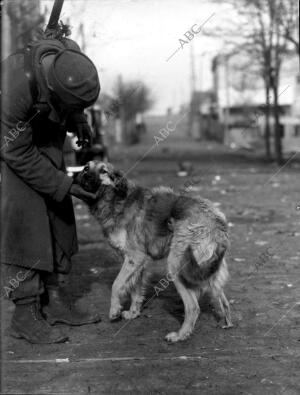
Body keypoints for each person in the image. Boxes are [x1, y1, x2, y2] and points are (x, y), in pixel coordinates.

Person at [0, 35, 101, 344]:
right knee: (25, 219)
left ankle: (54, 300)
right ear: (54, 90)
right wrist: (64, 184)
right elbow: (16, 153)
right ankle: (25, 315)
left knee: (58, 213)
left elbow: (73, 100)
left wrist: (78, 118)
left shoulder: (70, 58)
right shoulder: (14, 87)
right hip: (12, 145)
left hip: (42, 131)